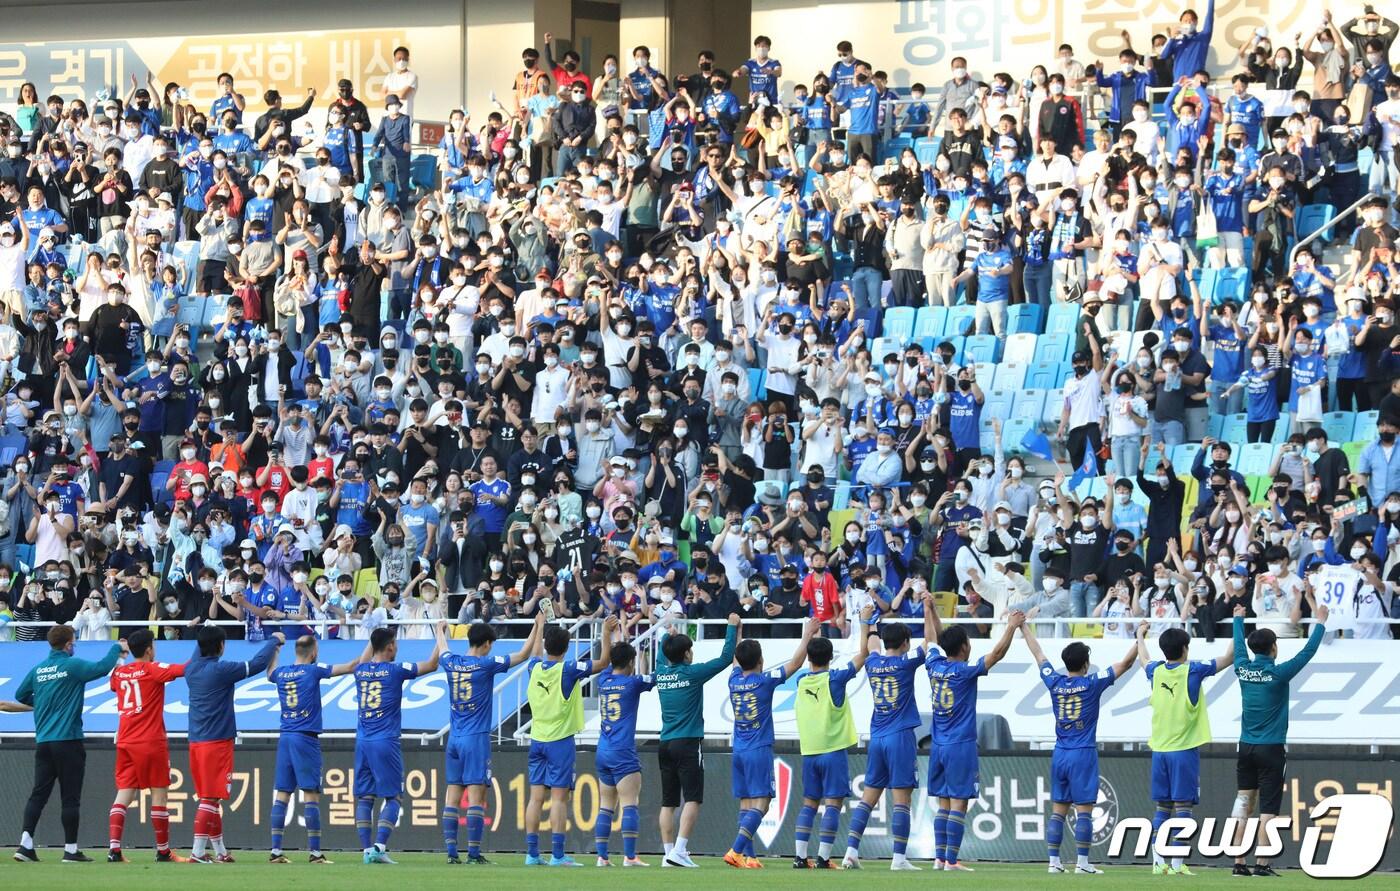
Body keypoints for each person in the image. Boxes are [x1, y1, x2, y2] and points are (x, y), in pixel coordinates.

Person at [1019, 621, 1138, 874]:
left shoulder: (1055, 682)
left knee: (1058, 812)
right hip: (1082, 752)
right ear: (1085, 665)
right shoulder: (1092, 683)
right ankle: (1082, 863)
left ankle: (1053, 863)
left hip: (1060, 752)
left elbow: (1038, 654)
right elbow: (1125, 664)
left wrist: (1023, 628)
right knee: (1084, 810)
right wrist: (1140, 637)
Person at [923, 601, 1027, 871]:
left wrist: (931, 611)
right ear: (965, 647)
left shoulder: (933, 665)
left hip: (938, 745)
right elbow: (997, 654)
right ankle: (952, 860)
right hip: (960, 745)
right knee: (959, 801)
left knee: (942, 803)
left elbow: (934, 638)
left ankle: (939, 858)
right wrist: (1011, 628)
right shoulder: (965, 672)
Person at [1229, 603, 1328, 877]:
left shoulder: (1242, 668)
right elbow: (1307, 652)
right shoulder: (1278, 673)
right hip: (1271, 748)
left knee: (1243, 803)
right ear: (1274, 648)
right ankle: (1262, 864)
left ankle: (1238, 862)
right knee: (1268, 809)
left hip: (1245, 746)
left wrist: (1238, 620)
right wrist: (1320, 623)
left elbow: (1238, 647)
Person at [12, 625, 125, 863]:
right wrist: (116, 648)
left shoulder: (39, 669)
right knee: (70, 797)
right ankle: (71, 850)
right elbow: (102, 668)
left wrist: (45, 702)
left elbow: (21, 695)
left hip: (43, 742)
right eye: (74, 642)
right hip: (68, 741)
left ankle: (25, 845)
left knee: (38, 794)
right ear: (68, 644)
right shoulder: (72, 666)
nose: (75, 645)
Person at [1135, 619, 1235, 875]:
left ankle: (1158, 863)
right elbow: (1228, 658)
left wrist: (1139, 635)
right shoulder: (1193, 671)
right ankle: (1178, 864)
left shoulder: (1155, 671)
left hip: (1159, 750)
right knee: (1183, 808)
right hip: (1183, 751)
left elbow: (1143, 659)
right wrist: (1238, 625)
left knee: (1162, 808)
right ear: (1185, 649)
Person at [441, 615, 542, 864]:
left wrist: (439, 631)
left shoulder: (451, 662)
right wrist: (537, 625)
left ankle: (452, 854)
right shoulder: (485, 664)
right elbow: (524, 654)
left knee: (452, 796)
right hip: (475, 738)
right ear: (486, 644)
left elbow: (442, 649)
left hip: (453, 737)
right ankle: (474, 854)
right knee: (477, 797)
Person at [266, 633, 370, 864]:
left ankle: (275, 851)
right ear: (313, 652)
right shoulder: (314, 670)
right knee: (310, 794)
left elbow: (269, 673)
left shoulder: (282, 673)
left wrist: (275, 648)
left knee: (282, 794)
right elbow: (353, 666)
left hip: (285, 737)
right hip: (305, 738)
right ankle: (314, 853)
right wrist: (371, 642)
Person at [723, 617, 818, 868]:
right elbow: (796, 663)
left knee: (746, 804)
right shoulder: (765, 681)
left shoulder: (733, 680)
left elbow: (736, 659)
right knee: (762, 805)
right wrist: (807, 634)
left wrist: (738, 632)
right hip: (758, 749)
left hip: (739, 750)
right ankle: (735, 850)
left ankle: (750, 857)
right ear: (761, 661)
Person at [184, 624, 283, 863]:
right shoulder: (221, 670)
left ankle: (220, 851)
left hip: (196, 741)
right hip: (216, 741)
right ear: (221, 646)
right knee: (209, 798)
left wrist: (204, 630)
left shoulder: (191, 669)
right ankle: (197, 853)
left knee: (211, 797)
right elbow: (257, 664)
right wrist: (273, 641)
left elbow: (202, 648)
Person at [523, 615, 616, 867]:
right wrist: (606, 632)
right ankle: (557, 855)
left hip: (537, 739)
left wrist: (539, 626)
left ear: (546, 646)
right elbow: (604, 662)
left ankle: (531, 855)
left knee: (535, 798)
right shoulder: (568, 668)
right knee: (559, 799)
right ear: (565, 649)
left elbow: (533, 654)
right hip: (559, 741)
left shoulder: (534, 668)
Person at [840, 605, 925, 870]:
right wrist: (931, 610)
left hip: (877, 737)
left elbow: (870, 645)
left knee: (868, 797)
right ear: (906, 643)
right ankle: (899, 858)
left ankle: (851, 852)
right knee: (902, 799)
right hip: (900, 736)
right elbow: (932, 642)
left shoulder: (873, 662)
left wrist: (868, 622)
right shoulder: (906, 662)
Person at [353, 622, 446, 863]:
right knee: (393, 797)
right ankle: (379, 848)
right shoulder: (395, 670)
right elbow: (432, 665)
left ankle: (366, 850)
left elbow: (363, 658)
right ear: (390, 646)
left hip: (363, 741)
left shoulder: (360, 671)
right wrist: (441, 634)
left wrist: (374, 637)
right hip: (385, 741)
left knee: (365, 797)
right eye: (395, 644)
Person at [655, 611, 740, 868]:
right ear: (686, 654)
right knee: (693, 798)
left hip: (665, 743)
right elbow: (726, 658)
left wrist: (665, 639)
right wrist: (731, 627)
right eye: (689, 649)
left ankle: (668, 853)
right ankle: (680, 850)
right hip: (688, 742)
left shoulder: (661, 672)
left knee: (668, 801)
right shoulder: (691, 674)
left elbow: (663, 654)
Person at [792, 607, 872, 869]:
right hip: (833, 751)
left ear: (809, 659)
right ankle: (824, 858)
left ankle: (800, 858)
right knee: (833, 805)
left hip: (809, 752)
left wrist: (809, 636)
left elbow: (804, 660)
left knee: (809, 805)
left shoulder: (802, 681)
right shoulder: (834, 679)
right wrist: (863, 623)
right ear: (831, 657)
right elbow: (864, 655)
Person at [107, 629, 186, 863]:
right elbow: (182, 670)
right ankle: (163, 851)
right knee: (159, 795)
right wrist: (203, 652)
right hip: (151, 741)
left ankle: (114, 850)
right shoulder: (152, 669)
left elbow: (114, 684)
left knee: (123, 794)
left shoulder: (120, 673)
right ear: (149, 649)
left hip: (125, 740)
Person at [594, 637, 656, 867]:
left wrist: (618, 649)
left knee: (606, 805)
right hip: (623, 751)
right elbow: (655, 677)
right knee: (629, 803)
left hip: (603, 750)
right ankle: (630, 857)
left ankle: (602, 857)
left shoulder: (603, 680)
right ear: (630, 662)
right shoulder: (632, 684)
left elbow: (613, 664)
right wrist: (642, 656)